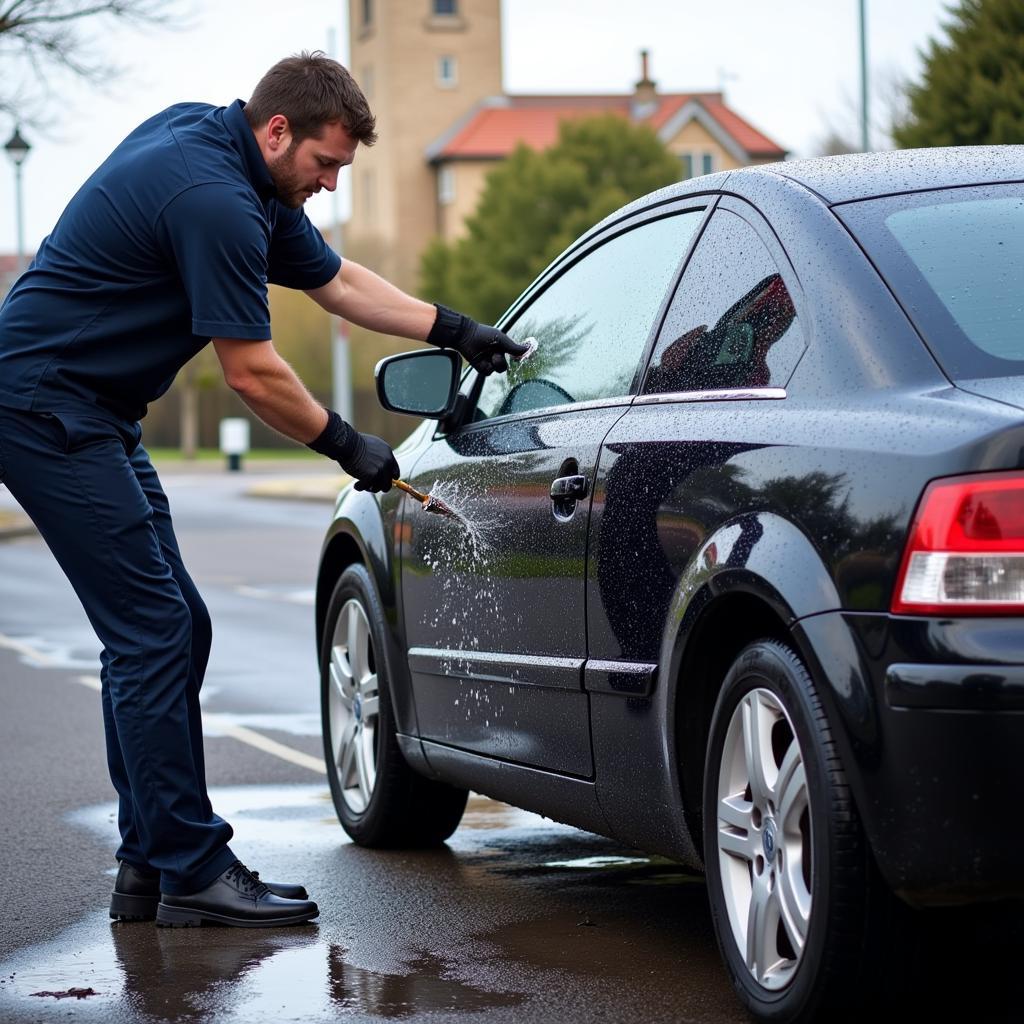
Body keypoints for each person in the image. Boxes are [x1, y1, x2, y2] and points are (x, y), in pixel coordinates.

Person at [0, 51, 526, 928]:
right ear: (277, 130)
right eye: (325, 165)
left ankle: (151, 864)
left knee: (175, 627)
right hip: (45, 408)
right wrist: (354, 447)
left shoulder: (233, 160)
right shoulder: (214, 202)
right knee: (152, 632)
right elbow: (252, 374)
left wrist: (456, 328)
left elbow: (337, 281)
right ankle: (191, 868)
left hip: (91, 410)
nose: (328, 186)